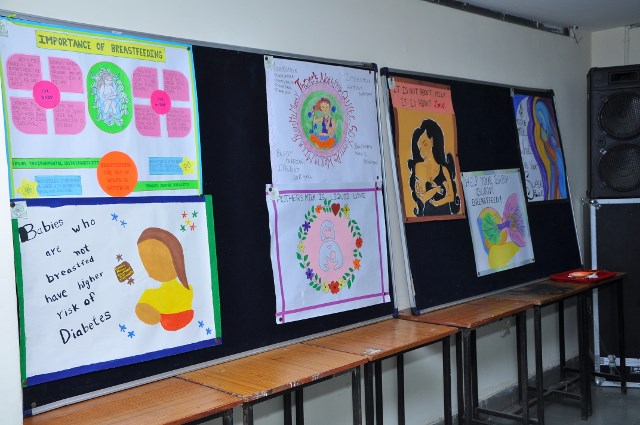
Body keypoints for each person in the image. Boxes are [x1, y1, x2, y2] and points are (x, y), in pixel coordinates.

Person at [135, 227, 194, 331]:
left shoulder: (150, 295)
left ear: (175, 258)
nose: (149, 270)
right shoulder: (188, 290)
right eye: (146, 263)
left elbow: (148, 316)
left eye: (153, 262)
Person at [407, 119, 461, 216]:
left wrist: (437, 203)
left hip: (446, 213)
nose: (422, 151)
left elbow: (452, 196)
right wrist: (436, 190)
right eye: (420, 147)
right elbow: (422, 197)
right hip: (428, 214)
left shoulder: (443, 169)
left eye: (425, 144)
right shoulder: (419, 167)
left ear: (433, 141)